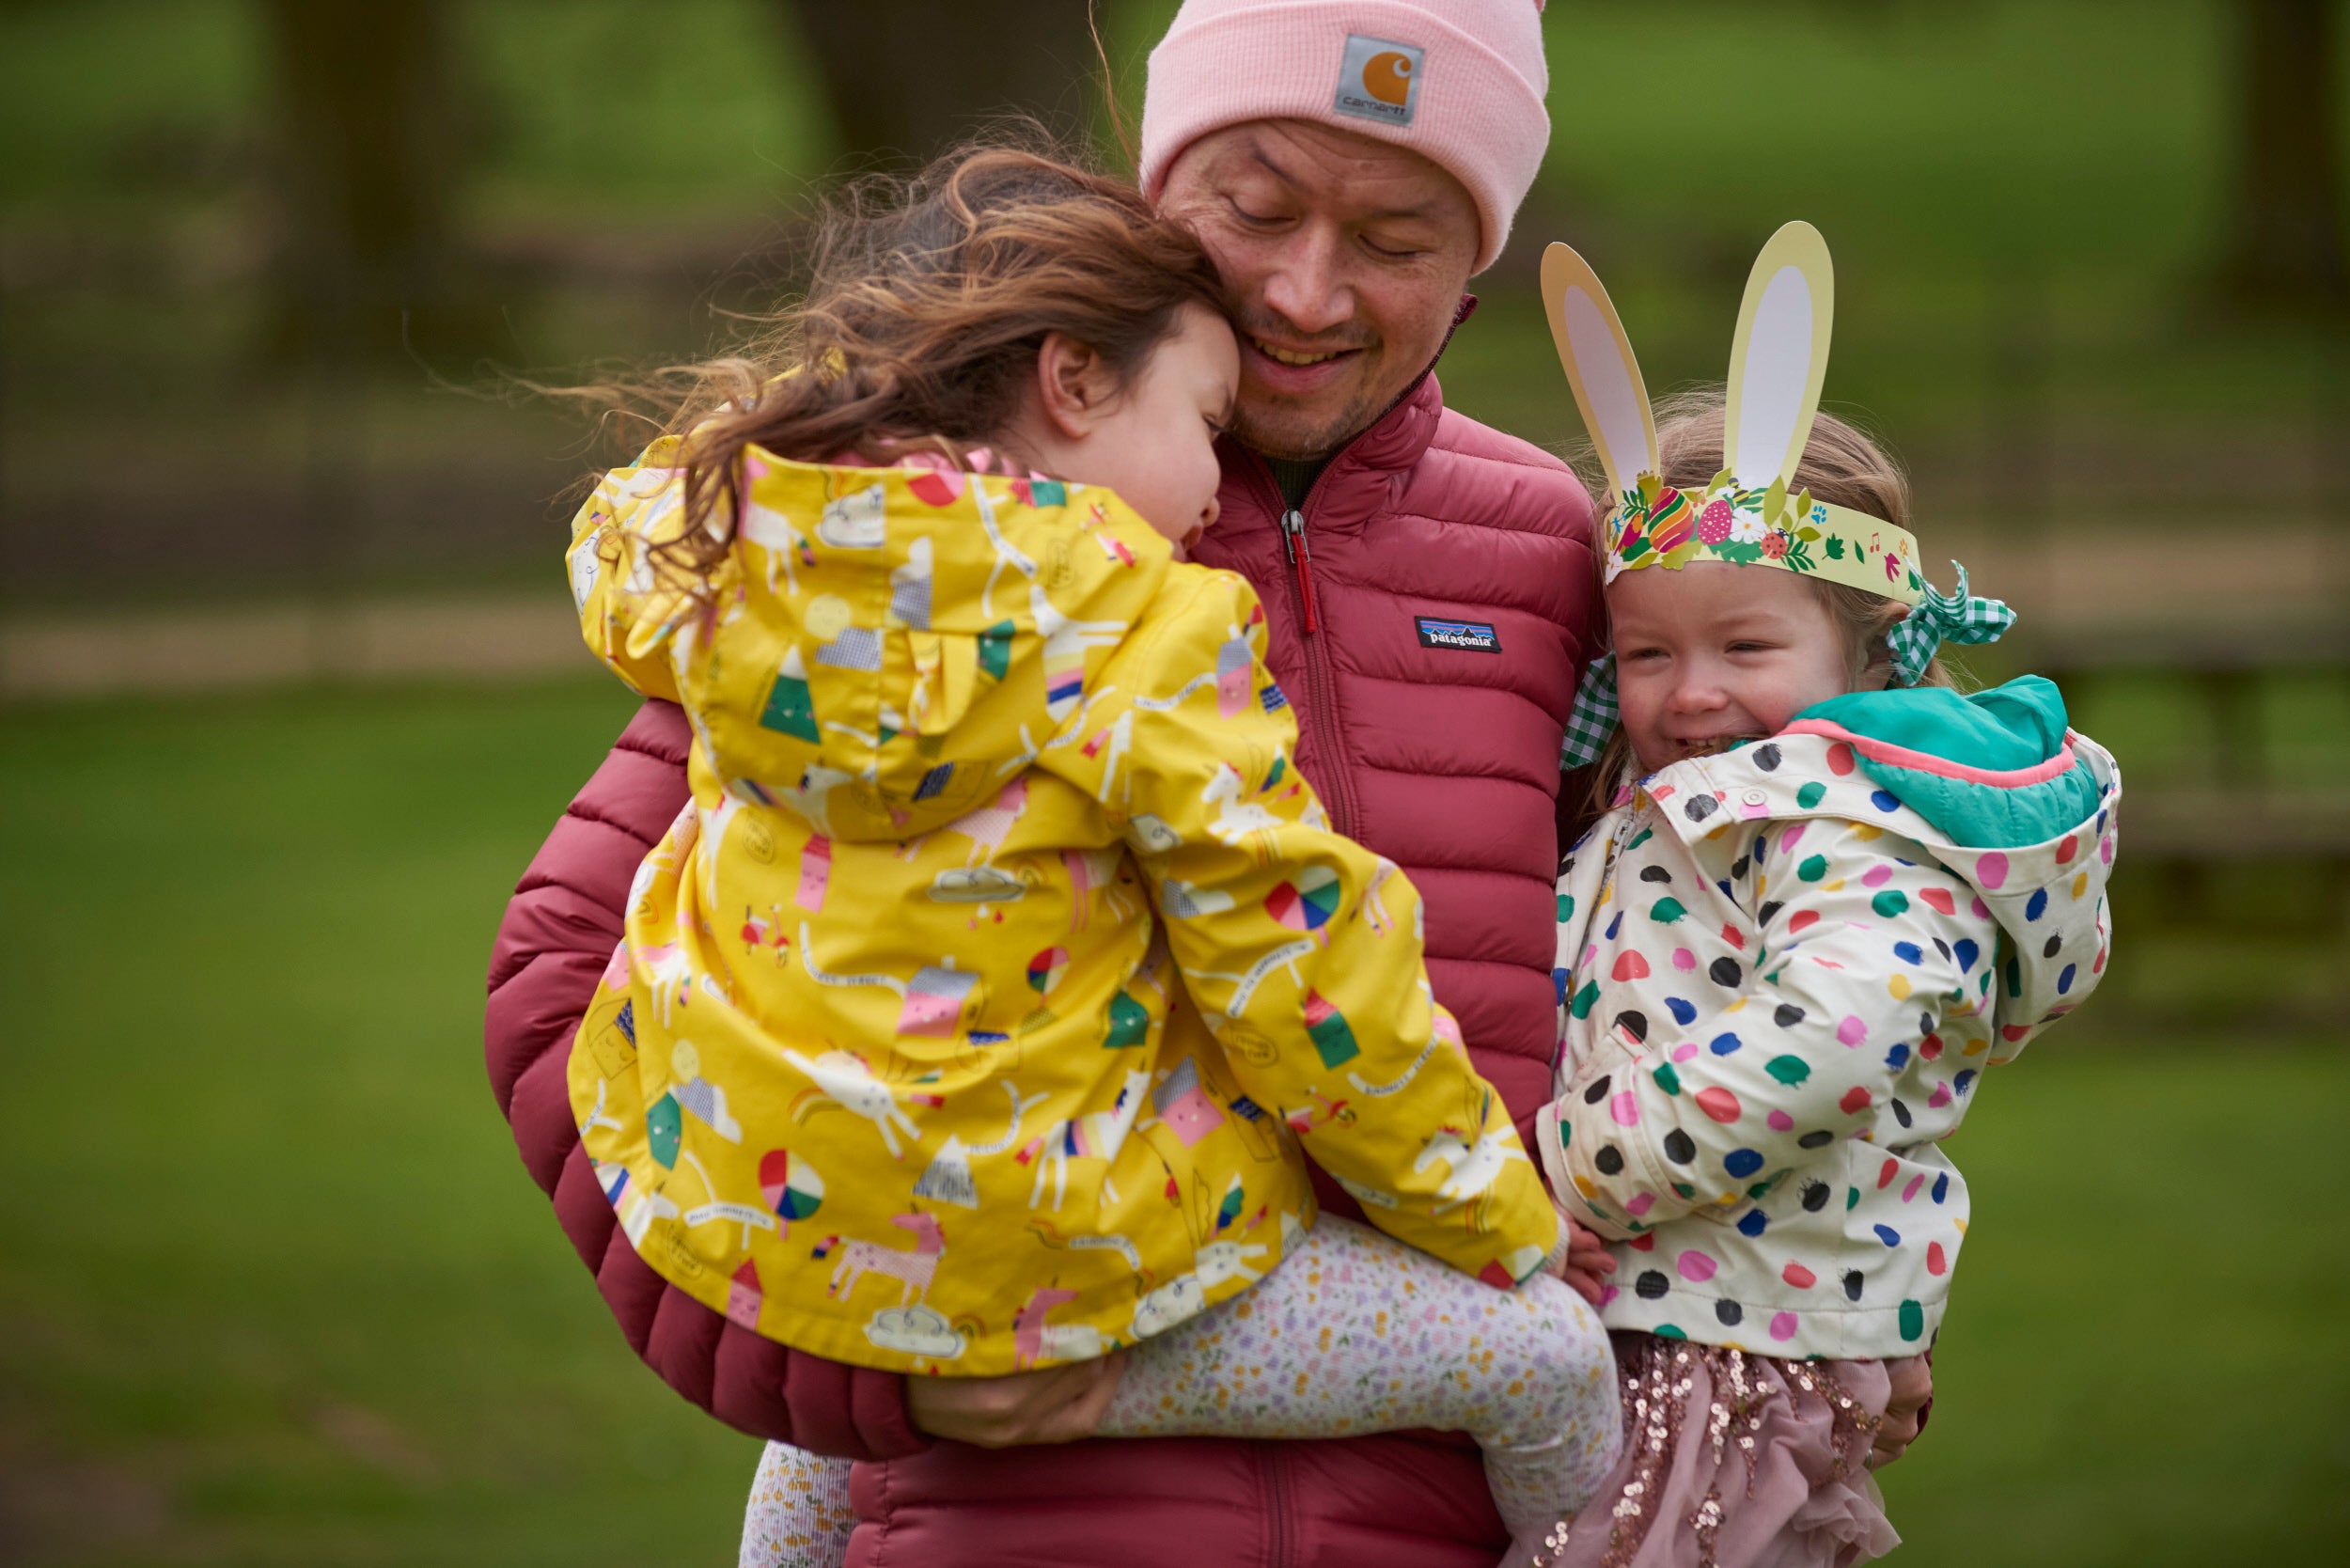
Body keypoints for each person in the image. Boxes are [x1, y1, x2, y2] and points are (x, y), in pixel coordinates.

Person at [483, 3, 1926, 1561]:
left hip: (1438, 1512)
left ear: (1482, 259)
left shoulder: (1550, 554)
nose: (1309, 291)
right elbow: (563, 991)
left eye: (1396, 234)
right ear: (1157, 193)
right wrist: (827, 1367)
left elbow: (1702, 951)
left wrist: (1811, 1297)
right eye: (1253, 210)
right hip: (1021, 1518)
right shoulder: (899, 562)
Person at [560, 143, 1620, 1565]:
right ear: (1072, 383)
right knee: (1545, 1359)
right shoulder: (1147, 628)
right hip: (1079, 1247)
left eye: (1395, 235)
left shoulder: (736, 553)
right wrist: (1502, 1220)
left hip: (785, 1223)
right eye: (1203, 416)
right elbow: (1303, 972)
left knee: (813, 1455)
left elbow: (620, 555)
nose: (1204, 481)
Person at [1529, 229, 2120, 1566]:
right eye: (1646, 653)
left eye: (1747, 646)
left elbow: (1837, 1035)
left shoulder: (1845, 821)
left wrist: (1567, 1164)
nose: (1689, 695)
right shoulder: (1675, 812)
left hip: (1730, 1345)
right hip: (1671, 1317)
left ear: (1861, 651)